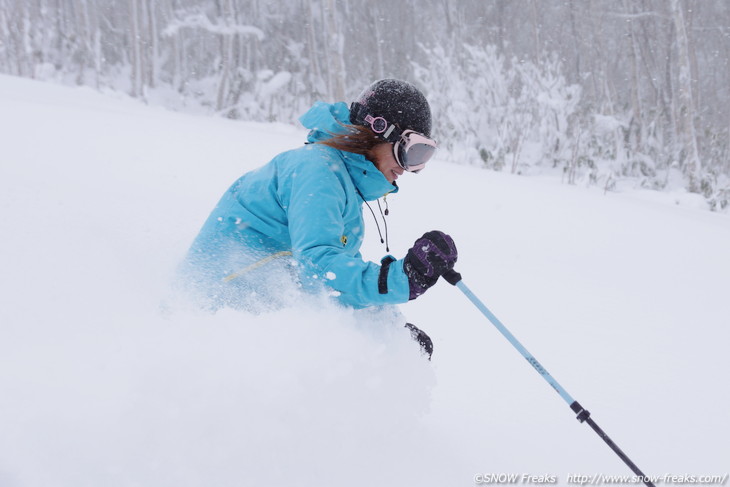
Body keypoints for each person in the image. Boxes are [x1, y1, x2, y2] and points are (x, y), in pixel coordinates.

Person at [180, 79, 458, 358]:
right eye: (413, 152)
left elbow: (334, 275)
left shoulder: (339, 178)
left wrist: (388, 327)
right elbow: (321, 269)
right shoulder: (318, 170)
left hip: (250, 315)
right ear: (380, 130)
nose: (410, 169)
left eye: (424, 156)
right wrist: (402, 279)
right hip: (217, 320)